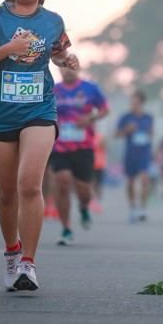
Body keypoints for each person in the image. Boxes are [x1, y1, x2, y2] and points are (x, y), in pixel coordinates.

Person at [0, 0, 79, 292]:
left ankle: (28, 264)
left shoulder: (53, 21)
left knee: (29, 184)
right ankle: (12, 253)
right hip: (1, 113)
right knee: (6, 191)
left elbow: (57, 53)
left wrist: (66, 60)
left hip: (39, 110)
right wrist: (9, 48)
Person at [50, 67, 109, 245]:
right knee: (62, 182)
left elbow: (105, 109)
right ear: (59, 70)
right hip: (59, 146)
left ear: (77, 69)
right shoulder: (53, 90)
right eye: (64, 68)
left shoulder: (91, 88)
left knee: (84, 191)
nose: (67, 71)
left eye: (71, 68)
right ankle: (66, 229)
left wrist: (90, 118)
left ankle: (84, 206)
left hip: (84, 147)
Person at [114, 91, 153, 223]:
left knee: (145, 179)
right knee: (130, 181)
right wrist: (127, 130)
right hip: (131, 154)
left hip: (144, 153)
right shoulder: (126, 117)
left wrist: (150, 134)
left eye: (136, 103)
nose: (133, 105)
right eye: (132, 102)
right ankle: (132, 207)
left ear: (142, 103)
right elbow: (116, 134)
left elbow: (151, 133)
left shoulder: (148, 117)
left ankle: (143, 208)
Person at [90, 130, 108, 214]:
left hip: (100, 164)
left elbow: (107, 148)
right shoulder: (88, 135)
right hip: (90, 164)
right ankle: (92, 201)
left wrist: (104, 143)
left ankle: (98, 201)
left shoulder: (101, 136)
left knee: (98, 184)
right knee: (91, 183)